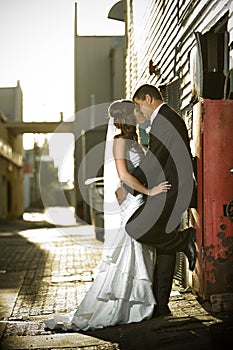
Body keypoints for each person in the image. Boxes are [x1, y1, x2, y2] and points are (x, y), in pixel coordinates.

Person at [43, 99, 171, 331]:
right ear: (127, 117)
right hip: (134, 204)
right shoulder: (120, 141)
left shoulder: (134, 141)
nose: (139, 111)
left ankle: (139, 304)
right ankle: (131, 307)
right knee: (132, 253)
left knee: (142, 253)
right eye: (135, 110)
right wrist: (149, 190)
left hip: (141, 203)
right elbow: (123, 175)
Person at [116, 84, 197, 317]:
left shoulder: (164, 121)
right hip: (174, 188)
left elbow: (154, 161)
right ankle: (161, 304)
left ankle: (184, 240)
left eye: (139, 106)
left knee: (136, 227)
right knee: (164, 241)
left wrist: (128, 187)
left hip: (172, 190)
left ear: (148, 99)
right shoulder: (169, 118)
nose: (139, 112)